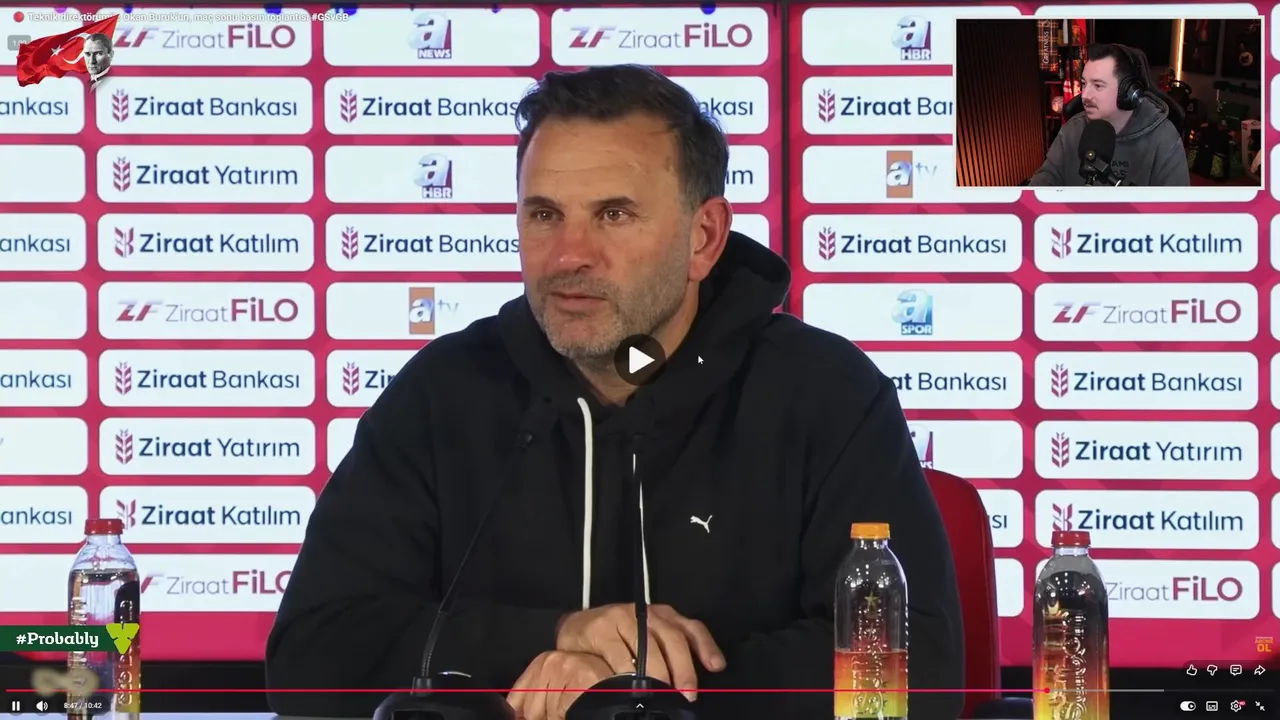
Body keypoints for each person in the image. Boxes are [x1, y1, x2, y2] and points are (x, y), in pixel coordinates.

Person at [265, 64, 964, 720]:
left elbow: (918, 667)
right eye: (545, 214)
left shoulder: (825, 394)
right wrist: (550, 641)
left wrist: (636, 696)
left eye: (614, 215)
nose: (570, 255)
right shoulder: (443, 392)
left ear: (704, 237)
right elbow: (310, 658)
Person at [1028, 43, 1189, 186]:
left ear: (1129, 93)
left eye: (1098, 85)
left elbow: (1176, 207)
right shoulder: (1071, 131)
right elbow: (1043, 184)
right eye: (1084, 84)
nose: (1085, 95)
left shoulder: (1163, 138)